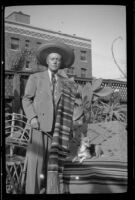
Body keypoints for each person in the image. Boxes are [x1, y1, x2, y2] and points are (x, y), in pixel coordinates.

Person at [22, 41, 76, 194]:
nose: (55, 61)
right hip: (39, 127)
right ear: (47, 61)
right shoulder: (36, 77)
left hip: (57, 130)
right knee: (36, 165)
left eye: (58, 59)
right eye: (52, 59)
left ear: (61, 63)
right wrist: (32, 117)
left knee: (52, 167)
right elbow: (26, 99)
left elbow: (68, 107)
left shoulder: (65, 83)